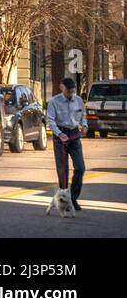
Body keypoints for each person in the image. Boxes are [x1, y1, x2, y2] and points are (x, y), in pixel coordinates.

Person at [45, 77, 87, 210]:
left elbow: (83, 116)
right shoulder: (54, 101)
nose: (70, 93)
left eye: (72, 90)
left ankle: (73, 198)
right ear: (61, 88)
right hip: (60, 136)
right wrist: (58, 133)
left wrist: (84, 126)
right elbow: (50, 120)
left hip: (74, 135)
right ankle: (65, 201)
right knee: (63, 171)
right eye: (68, 90)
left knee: (80, 168)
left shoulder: (78, 100)